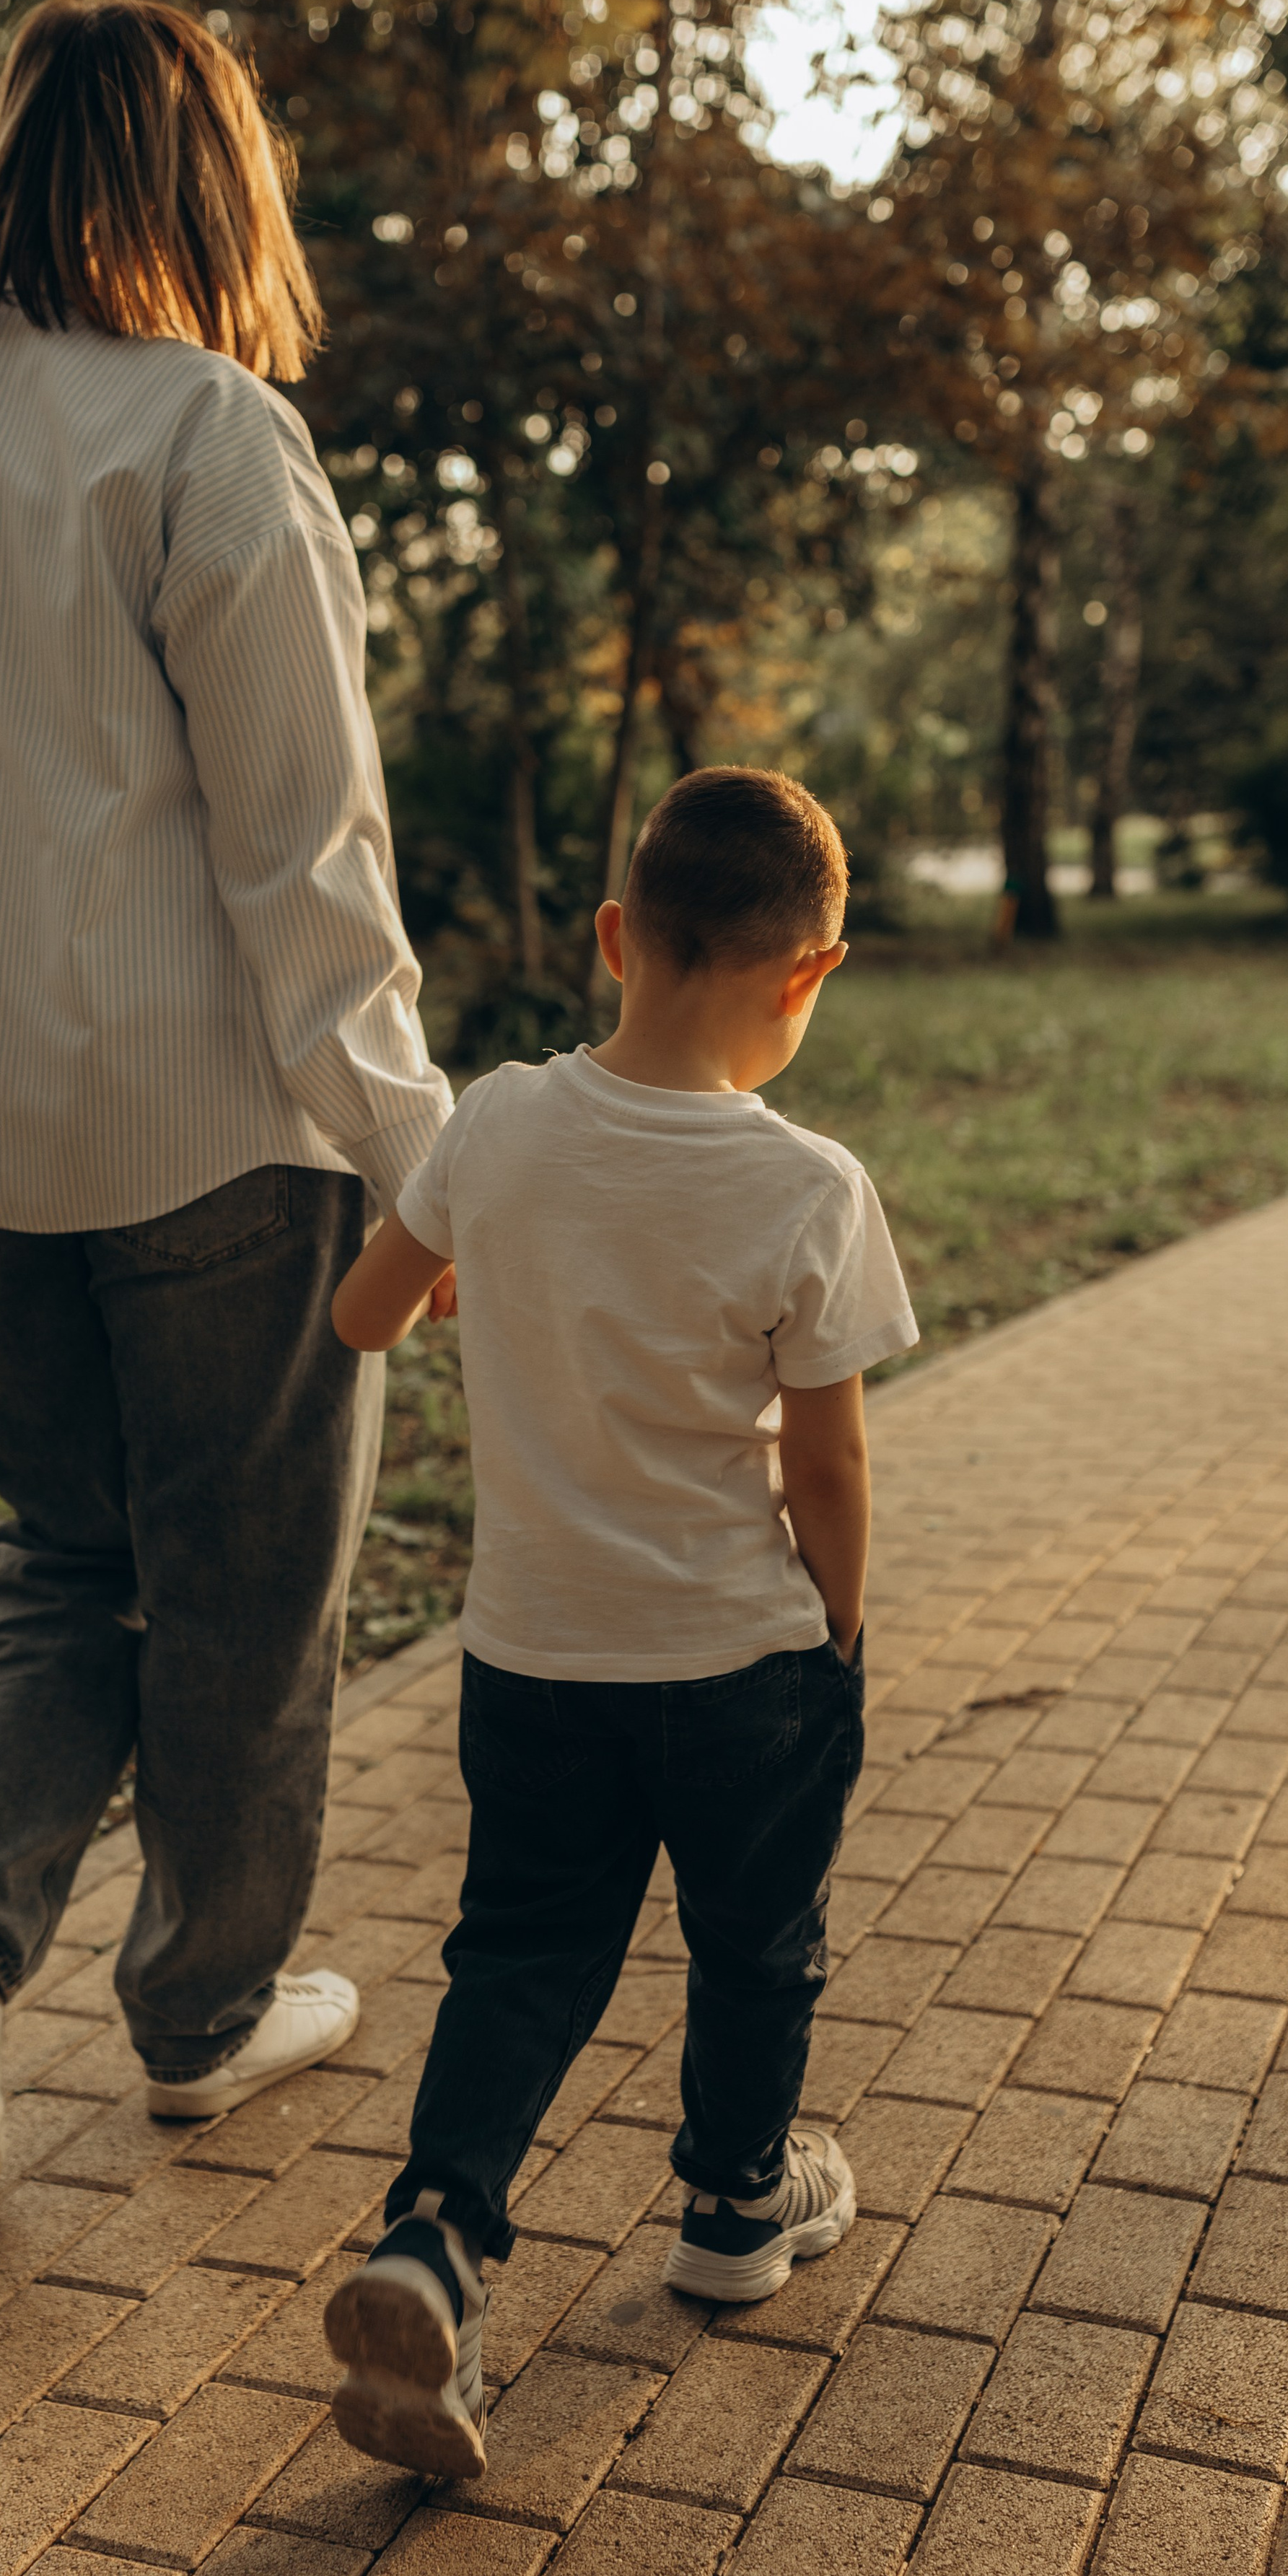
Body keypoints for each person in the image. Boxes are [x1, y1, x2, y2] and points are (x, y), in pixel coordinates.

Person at [0, 0, 452, 2191]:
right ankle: (205, 2014)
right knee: (243, 1579)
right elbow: (303, 843)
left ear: (13, 158)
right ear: (209, 177)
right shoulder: (213, 433)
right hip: (205, 1122)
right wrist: (418, 1151)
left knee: (63, 1550)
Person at [322, 767, 919, 2478]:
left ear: (611, 937)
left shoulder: (493, 1127)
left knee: (520, 1951)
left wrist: (456, 1256)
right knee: (753, 1941)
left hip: (532, 1654)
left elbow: (364, 1317)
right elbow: (826, 1457)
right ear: (810, 972)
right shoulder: (809, 1186)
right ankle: (734, 2201)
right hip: (742, 1662)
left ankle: (436, 2231)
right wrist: (841, 1621)